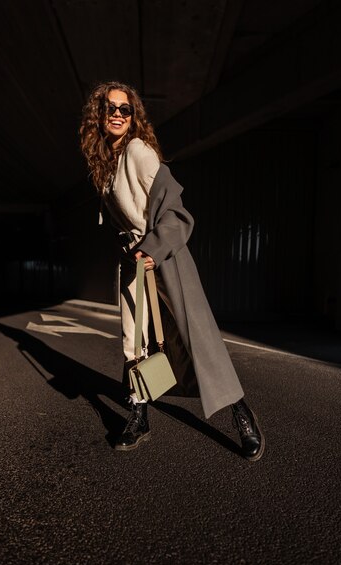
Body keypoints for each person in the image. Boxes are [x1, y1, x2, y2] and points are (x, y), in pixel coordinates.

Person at [79, 81, 265, 461]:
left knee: (197, 337)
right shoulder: (104, 162)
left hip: (164, 257)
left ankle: (240, 413)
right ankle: (138, 415)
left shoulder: (138, 151)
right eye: (110, 108)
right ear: (99, 115)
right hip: (132, 262)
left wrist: (151, 248)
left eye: (124, 109)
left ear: (133, 117)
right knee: (134, 342)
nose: (117, 114)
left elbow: (177, 212)